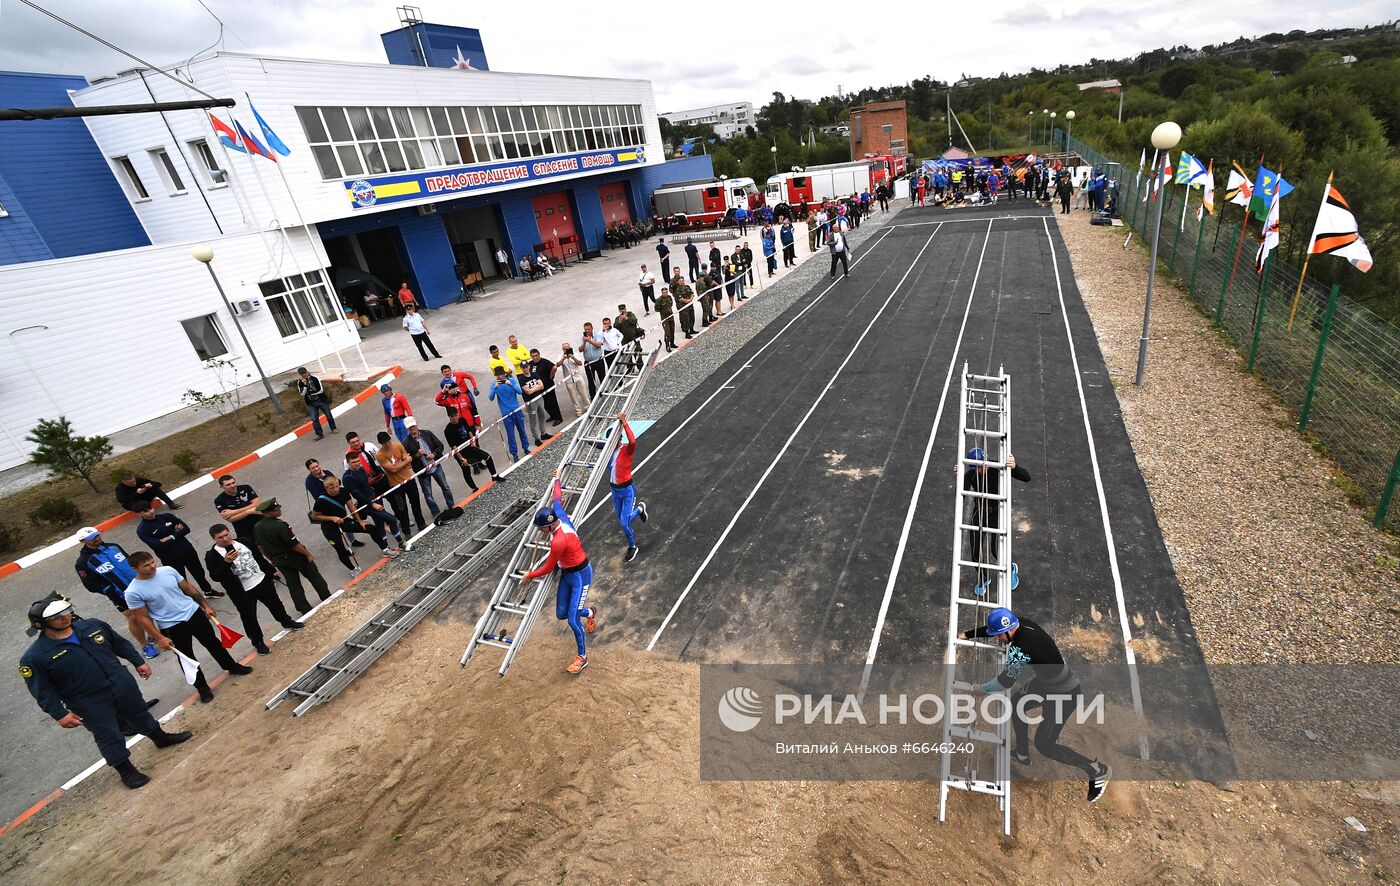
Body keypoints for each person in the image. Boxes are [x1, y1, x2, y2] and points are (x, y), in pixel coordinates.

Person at [21, 595, 192, 789]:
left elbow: (119, 644)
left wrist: (138, 661)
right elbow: (41, 690)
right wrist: (59, 714)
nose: (65, 617)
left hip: (119, 683)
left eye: (66, 611)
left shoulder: (92, 626)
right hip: (87, 701)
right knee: (107, 733)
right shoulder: (35, 657)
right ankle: (126, 770)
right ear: (42, 624)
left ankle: (160, 738)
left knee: (138, 712)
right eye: (57, 616)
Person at [961, 607, 1113, 803]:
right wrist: (968, 634)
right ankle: (1023, 754)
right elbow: (996, 626)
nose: (997, 639)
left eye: (998, 636)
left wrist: (981, 688)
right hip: (1046, 683)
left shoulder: (1020, 648)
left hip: (1064, 694)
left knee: (1045, 744)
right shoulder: (1023, 623)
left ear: (1007, 631)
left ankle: (1097, 770)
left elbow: (1005, 682)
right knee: (1016, 705)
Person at [124, 551, 253, 705]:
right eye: (146, 565)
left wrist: (205, 606)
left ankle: (232, 666)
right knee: (186, 657)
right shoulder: (133, 591)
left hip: (193, 613)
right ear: (134, 568)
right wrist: (159, 637)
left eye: (152, 562)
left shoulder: (168, 571)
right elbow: (142, 617)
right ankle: (202, 688)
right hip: (171, 625)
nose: (152, 567)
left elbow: (188, 588)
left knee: (213, 643)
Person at [522, 473, 597, 674]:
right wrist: (557, 479)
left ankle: (582, 657)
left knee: (572, 620)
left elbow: (547, 568)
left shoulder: (558, 541)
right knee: (562, 613)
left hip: (581, 575)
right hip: (568, 574)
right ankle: (590, 613)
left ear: (548, 526)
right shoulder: (560, 516)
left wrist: (530, 575)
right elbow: (557, 499)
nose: (539, 531)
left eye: (541, 528)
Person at [205, 523, 302, 655]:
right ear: (214, 539)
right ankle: (258, 642)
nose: (225, 539)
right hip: (242, 591)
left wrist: (271, 571)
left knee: (275, 604)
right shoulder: (212, 556)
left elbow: (258, 558)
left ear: (230, 532)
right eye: (220, 537)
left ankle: (286, 621)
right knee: (249, 618)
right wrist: (226, 563)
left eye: (226, 534)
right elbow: (215, 576)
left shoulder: (243, 542)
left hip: (261, 580)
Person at [73, 528, 157, 658]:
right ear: (83, 541)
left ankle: (153, 635)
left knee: (146, 610)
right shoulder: (83, 562)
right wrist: (110, 589)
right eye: (92, 538)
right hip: (120, 595)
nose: (97, 538)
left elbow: (131, 562)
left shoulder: (114, 547)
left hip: (139, 585)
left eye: (97, 535)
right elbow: (90, 585)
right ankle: (145, 645)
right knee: (134, 618)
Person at [959, 449, 1030, 597]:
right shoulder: (971, 474)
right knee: (975, 553)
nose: (981, 469)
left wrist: (1014, 467)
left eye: (982, 465)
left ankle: (1011, 569)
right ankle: (984, 578)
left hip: (997, 513)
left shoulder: (998, 466)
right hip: (979, 512)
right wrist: (959, 479)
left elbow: (1027, 477)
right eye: (977, 467)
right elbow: (960, 498)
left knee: (996, 550)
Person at [252, 498, 333, 614]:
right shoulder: (280, 525)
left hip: (279, 560)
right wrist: (308, 555)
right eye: (275, 509)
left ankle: (303, 608)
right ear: (267, 513)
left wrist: (271, 559)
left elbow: (260, 547)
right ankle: (327, 597)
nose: (279, 510)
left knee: (293, 584)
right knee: (315, 577)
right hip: (295, 556)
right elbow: (294, 544)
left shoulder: (257, 527)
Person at [312, 474, 400, 569]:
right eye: (332, 488)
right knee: (339, 547)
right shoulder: (321, 500)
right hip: (329, 526)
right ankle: (353, 569)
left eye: (337, 486)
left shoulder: (343, 491)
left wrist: (359, 521)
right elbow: (315, 516)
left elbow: (351, 508)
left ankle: (385, 550)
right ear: (326, 488)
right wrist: (332, 518)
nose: (336, 489)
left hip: (343, 520)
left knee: (371, 528)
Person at [134, 502, 220, 598]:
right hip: (170, 558)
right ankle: (189, 598)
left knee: (199, 573)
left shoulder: (167, 517)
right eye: (145, 511)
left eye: (150, 508)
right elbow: (157, 545)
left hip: (188, 551)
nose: (150, 512)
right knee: (180, 580)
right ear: (139, 514)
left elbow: (186, 529)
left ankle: (208, 591)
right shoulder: (142, 530)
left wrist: (170, 537)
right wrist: (176, 533)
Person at [607, 412, 649, 562]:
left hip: (627, 490)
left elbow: (633, 441)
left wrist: (624, 422)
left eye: (612, 440)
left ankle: (632, 546)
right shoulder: (608, 452)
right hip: (614, 491)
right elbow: (594, 444)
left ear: (618, 439)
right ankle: (640, 510)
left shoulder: (626, 450)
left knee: (624, 523)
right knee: (622, 521)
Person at [375, 431, 428, 533]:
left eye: (388, 441)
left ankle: (421, 523)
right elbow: (393, 469)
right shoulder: (380, 455)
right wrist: (406, 461)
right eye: (384, 443)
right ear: (381, 443)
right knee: (402, 509)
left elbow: (406, 459)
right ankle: (406, 530)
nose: (387, 444)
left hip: (408, 479)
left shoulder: (398, 446)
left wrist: (404, 462)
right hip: (396, 484)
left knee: (415, 503)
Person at [403, 418, 453, 516]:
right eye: (410, 427)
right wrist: (417, 455)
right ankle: (435, 512)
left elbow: (440, 445)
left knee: (445, 487)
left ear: (416, 424)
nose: (412, 428)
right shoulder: (406, 443)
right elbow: (407, 460)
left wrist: (434, 454)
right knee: (428, 494)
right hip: (422, 471)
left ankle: (451, 505)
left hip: (435, 465)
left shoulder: (427, 433)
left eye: (413, 426)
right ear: (407, 429)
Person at [443, 408, 500, 489]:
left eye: (456, 415)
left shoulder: (462, 420)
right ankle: (474, 488)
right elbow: (454, 447)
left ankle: (494, 476)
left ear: (458, 414)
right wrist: (462, 459)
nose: (455, 418)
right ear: (449, 417)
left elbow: (469, 431)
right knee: (466, 471)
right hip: (461, 452)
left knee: (487, 456)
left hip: (470, 447)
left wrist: (473, 441)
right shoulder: (448, 430)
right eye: (452, 416)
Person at [489, 368, 530, 462]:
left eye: (501, 374)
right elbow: (490, 398)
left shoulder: (511, 380)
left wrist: (510, 384)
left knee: (522, 430)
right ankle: (514, 453)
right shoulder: (495, 384)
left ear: (504, 374)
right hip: (506, 414)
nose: (500, 377)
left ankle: (526, 447)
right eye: (498, 375)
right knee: (510, 434)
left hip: (517, 410)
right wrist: (495, 388)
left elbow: (520, 391)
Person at [295, 367, 337, 438]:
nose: (304, 374)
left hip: (320, 400)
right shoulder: (300, 382)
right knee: (314, 419)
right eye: (302, 374)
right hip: (311, 403)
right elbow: (302, 394)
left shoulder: (314, 379)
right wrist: (304, 385)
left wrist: (310, 393)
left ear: (307, 372)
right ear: (300, 375)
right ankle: (319, 434)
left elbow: (320, 390)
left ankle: (333, 428)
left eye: (304, 372)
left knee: (328, 415)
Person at [518, 358, 550, 447]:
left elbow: (542, 386)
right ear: (521, 368)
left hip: (539, 398)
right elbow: (527, 392)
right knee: (533, 420)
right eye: (523, 367)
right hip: (530, 401)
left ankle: (543, 433)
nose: (525, 369)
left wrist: (534, 388)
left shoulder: (535, 374)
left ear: (529, 366)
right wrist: (536, 387)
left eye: (526, 367)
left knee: (542, 415)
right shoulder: (521, 378)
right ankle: (536, 438)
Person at [528, 349, 564, 424]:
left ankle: (558, 418)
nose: (535, 357)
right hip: (538, 387)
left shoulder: (544, 362)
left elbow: (554, 367)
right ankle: (552, 416)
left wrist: (551, 376)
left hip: (548, 386)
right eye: (533, 356)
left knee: (552, 402)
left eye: (536, 355)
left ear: (539, 355)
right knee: (544, 404)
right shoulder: (530, 364)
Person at [554, 342, 590, 416]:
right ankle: (578, 411)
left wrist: (572, 357)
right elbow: (557, 365)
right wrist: (564, 358)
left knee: (583, 394)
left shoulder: (575, 354)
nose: (567, 350)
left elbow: (580, 363)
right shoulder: (560, 356)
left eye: (568, 348)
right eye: (565, 349)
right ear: (563, 349)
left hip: (578, 377)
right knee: (573, 397)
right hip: (569, 380)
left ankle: (588, 407)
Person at [115, 472, 180, 512]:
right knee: (133, 503)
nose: (134, 484)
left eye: (134, 481)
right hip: (133, 502)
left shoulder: (139, 480)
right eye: (131, 483)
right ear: (124, 482)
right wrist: (136, 493)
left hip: (145, 498)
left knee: (155, 489)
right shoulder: (120, 488)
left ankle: (171, 504)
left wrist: (149, 485)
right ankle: (146, 515)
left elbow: (158, 484)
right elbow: (121, 500)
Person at [579, 322, 606, 397]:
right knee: (591, 380)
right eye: (585, 329)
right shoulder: (582, 338)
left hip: (598, 361)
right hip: (588, 362)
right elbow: (580, 349)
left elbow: (599, 345)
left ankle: (605, 392)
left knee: (602, 377)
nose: (587, 331)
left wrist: (589, 340)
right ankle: (593, 396)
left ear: (592, 328)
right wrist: (584, 342)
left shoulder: (597, 335)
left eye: (588, 329)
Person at [674, 274, 697, 339]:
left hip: (690, 305)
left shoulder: (687, 287)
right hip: (684, 306)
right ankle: (687, 333)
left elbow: (692, 293)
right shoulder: (678, 290)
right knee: (686, 319)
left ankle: (692, 329)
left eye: (682, 281)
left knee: (692, 317)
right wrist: (688, 300)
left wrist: (690, 299)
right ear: (678, 282)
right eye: (680, 281)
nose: (682, 282)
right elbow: (681, 299)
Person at [655, 287, 677, 352]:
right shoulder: (659, 300)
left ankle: (672, 343)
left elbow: (671, 304)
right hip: (665, 318)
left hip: (671, 317)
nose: (665, 293)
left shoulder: (669, 297)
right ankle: (667, 345)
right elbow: (656, 309)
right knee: (667, 332)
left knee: (672, 330)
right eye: (664, 292)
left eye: (666, 292)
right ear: (662, 293)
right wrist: (663, 311)